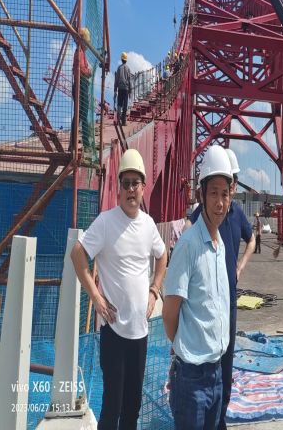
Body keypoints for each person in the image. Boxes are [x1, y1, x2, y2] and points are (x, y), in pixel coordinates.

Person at [71, 148, 167, 429]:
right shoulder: (106, 221)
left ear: (143, 187)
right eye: (125, 183)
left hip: (140, 333)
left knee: (133, 406)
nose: (130, 189)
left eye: (135, 183)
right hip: (113, 332)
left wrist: (154, 290)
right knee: (112, 404)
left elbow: (162, 255)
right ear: (119, 188)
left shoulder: (148, 225)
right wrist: (96, 297)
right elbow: (77, 254)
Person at [162, 145, 233, 429]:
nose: (220, 202)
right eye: (213, 193)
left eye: (225, 194)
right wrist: (185, 348)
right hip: (191, 378)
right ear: (201, 195)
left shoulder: (220, 245)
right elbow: (170, 313)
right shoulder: (188, 245)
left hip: (216, 373)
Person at [218, 147, 255, 430]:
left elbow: (252, 239)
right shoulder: (208, 213)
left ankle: (221, 417)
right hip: (210, 301)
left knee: (227, 361)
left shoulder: (238, 213)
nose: (232, 186)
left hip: (229, 300)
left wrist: (240, 268)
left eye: (233, 182)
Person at [70, 27, 93, 152]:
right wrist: (88, 72)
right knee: (82, 114)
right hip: (81, 84)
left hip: (80, 84)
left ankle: (74, 143)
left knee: (80, 114)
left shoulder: (80, 52)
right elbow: (81, 69)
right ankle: (85, 144)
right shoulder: (79, 52)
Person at [114, 52, 132, 126]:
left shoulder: (119, 68)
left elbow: (116, 80)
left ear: (121, 59)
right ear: (126, 60)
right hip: (126, 89)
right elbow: (130, 81)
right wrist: (130, 91)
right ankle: (123, 122)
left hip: (120, 89)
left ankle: (118, 119)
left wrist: (115, 90)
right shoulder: (128, 69)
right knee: (125, 105)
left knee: (119, 104)